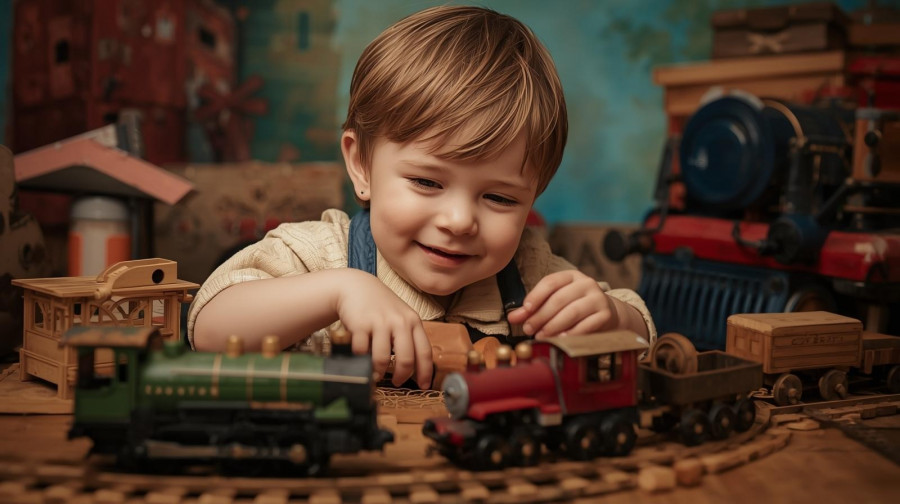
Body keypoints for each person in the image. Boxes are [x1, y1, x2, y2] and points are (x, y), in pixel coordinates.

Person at [189, 5, 656, 390]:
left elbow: (643, 339)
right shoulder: (320, 255)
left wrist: (610, 316)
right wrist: (340, 291)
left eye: (499, 198)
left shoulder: (530, 276)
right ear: (361, 165)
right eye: (427, 183)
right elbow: (208, 327)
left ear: (535, 194)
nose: (458, 221)